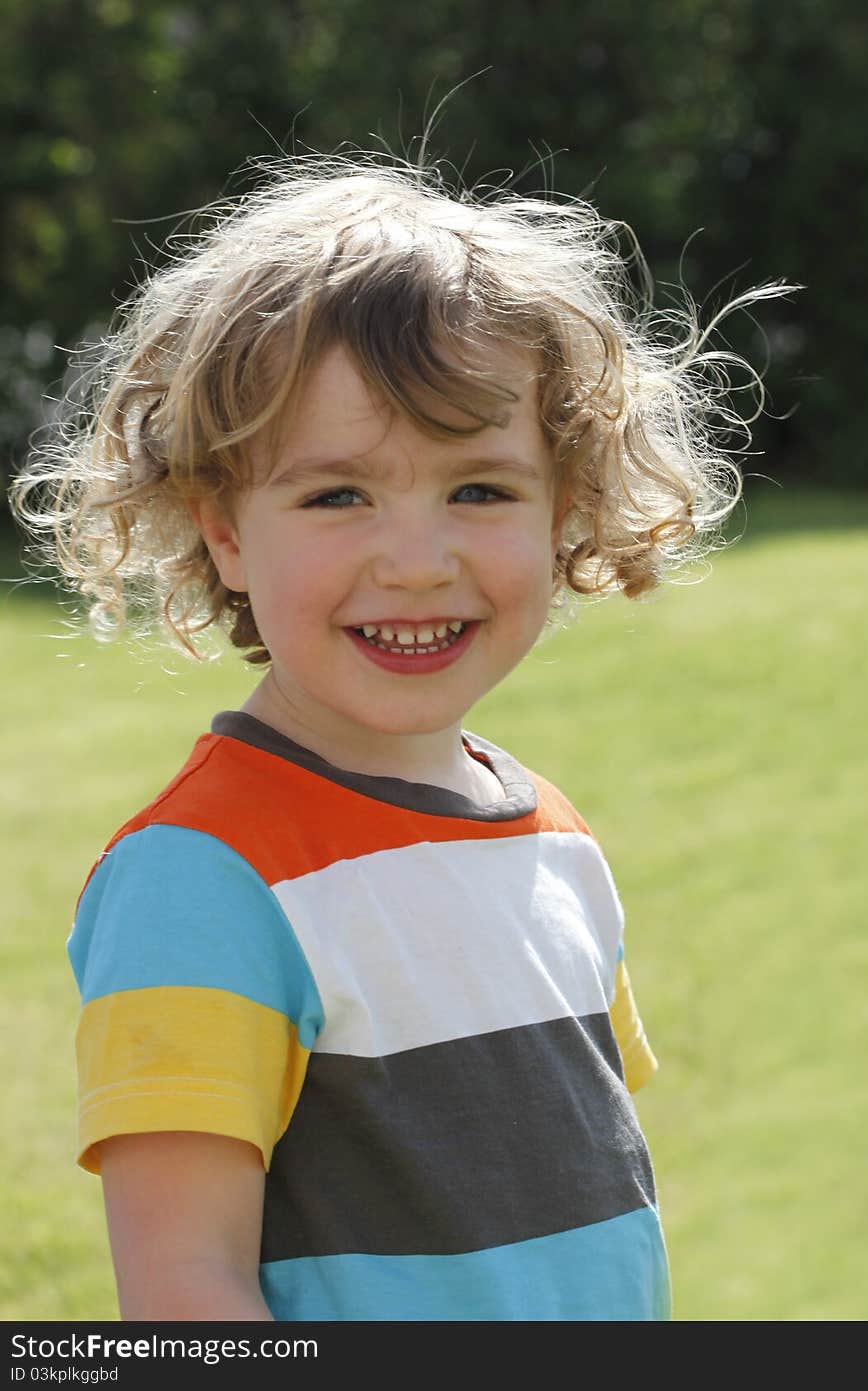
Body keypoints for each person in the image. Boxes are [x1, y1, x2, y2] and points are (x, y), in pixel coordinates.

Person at [12, 153, 783, 1321]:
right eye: (337, 495)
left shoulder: (554, 838)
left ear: (564, 504)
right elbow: (184, 1292)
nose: (418, 559)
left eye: (479, 490)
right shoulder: (206, 874)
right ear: (222, 530)